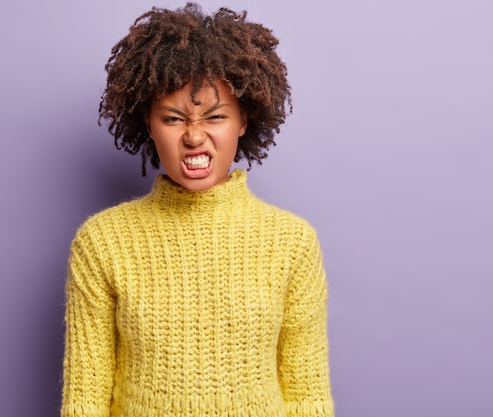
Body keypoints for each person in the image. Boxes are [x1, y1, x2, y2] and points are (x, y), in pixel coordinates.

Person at [61, 3, 334, 416]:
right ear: (149, 125)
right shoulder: (102, 243)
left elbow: (307, 396)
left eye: (215, 116)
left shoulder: (292, 243)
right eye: (173, 119)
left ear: (244, 120)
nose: (194, 136)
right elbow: (84, 400)